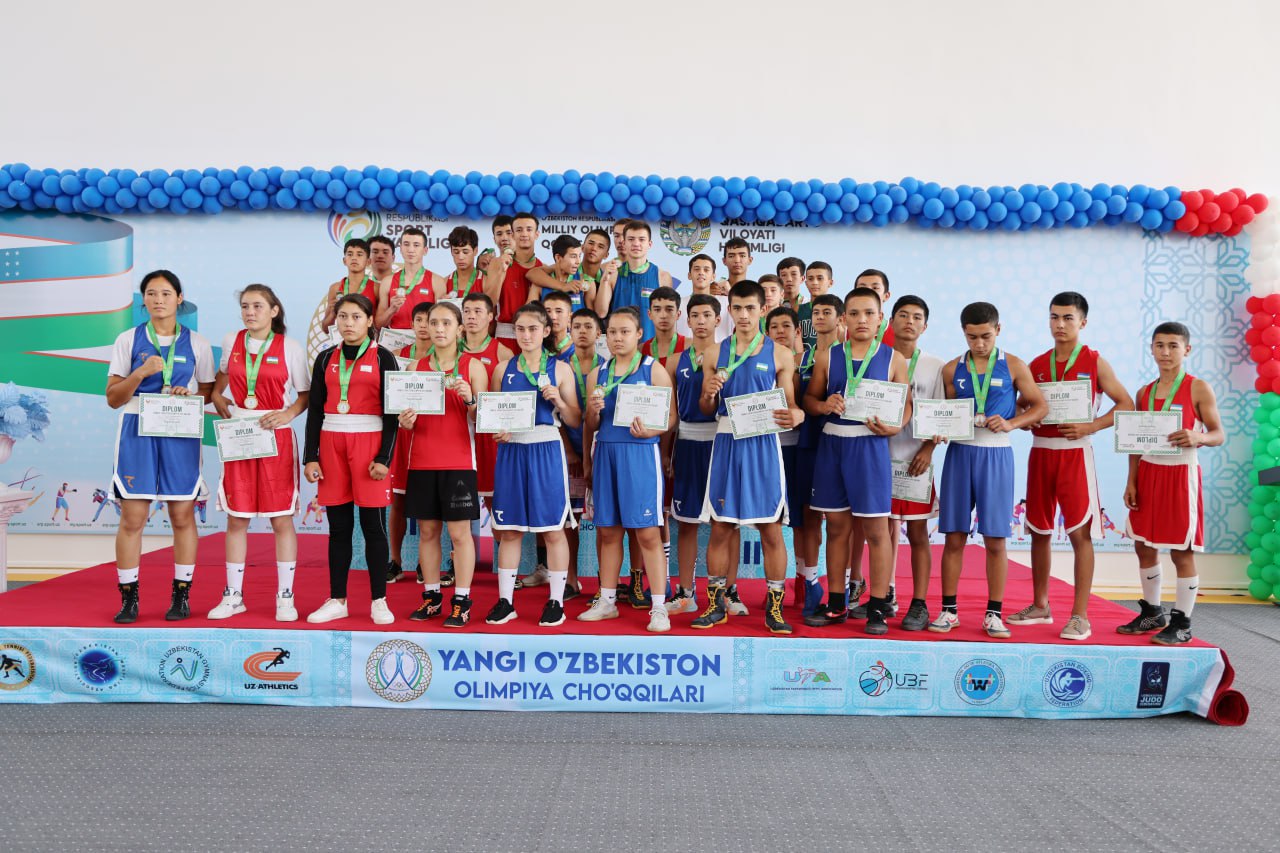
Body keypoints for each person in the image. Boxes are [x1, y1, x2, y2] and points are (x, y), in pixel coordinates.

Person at [1007, 292, 1133, 641]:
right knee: (1039, 530)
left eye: (1067, 318)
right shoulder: (1037, 363)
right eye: (1054, 317)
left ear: (1082, 322)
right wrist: (1026, 418)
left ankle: (1080, 616)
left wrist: (1091, 426)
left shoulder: (1094, 361)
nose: (1059, 324)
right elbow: (1019, 404)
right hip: (1041, 453)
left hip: (1075, 453)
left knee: (1080, 533)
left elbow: (1126, 403)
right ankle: (1040, 605)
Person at [929, 302, 1047, 638]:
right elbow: (943, 414)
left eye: (985, 336)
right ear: (963, 333)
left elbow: (1040, 406)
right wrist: (939, 429)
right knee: (953, 536)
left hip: (997, 455)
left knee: (996, 539)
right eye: (972, 337)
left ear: (998, 330)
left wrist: (1012, 423)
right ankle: (949, 610)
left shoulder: (1014, 365)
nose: (979, 343)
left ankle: (994, 614)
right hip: (960, 454)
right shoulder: (951, 369)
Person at [692, 280, 805, 634]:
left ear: (762, 310)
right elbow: (705, 408)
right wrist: (708, 395)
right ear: (729, 310)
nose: (743, 315)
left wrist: (797, 414)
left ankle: (775, 609)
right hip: (726, 441)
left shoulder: (780, 354)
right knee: (721, 527)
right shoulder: (714, 353)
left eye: (750, 308)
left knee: (771, 529)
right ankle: (715, 605)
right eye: (737, 308)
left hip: (763, 446)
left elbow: (791, 405)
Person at [106, 270, 216, 623]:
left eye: (166, 293)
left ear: (179, 298)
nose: (158, 300)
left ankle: (181, 595)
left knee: (182, 515)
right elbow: (113, 398)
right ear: (144, 300)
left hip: (179, 430)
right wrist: (140, 373)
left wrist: (190, 394)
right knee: (132, 517)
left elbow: (208, 392)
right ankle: (129, 598)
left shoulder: (198, 343)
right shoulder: (128, 339)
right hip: (137, 430)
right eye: (151, 293)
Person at [803, 288, 912, 635]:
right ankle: (837, 602)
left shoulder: (894, 359)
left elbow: (906, 406)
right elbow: (810, 399)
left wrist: (896, 426)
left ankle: (878, 606)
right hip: (833, 443)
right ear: (844, 319)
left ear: (881, 319)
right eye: (854, 313)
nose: (861, 320)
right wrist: (823, 405)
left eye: (868, 313)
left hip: (870, 446)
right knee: (836, 528)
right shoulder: (828, 356)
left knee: (877, 531)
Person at [208, 284, 311, 621]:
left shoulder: (290, 347)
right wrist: (218, 396)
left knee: (281, 519)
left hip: (274, 436)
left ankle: (285, 597)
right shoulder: (231, 341)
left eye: (257, 306)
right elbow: (222, 377)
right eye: (245, 306)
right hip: (239, 432)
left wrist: (288, 414)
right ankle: (233, 595)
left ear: (274, 310)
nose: (250, 312)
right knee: (236, 518)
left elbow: (305, 394)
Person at [1119, 322, 1224, 645]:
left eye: (1173, 346)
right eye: (1160, 345)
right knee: (1143, 544)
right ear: (1151, 348)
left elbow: (1218, 434)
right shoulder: (1144, 392)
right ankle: (1153, 612)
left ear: (1186, 349)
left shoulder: (1198, 388)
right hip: (1148, 472)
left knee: (1182, 550)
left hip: (1180, 474)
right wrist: (1132, 480)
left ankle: (1182, 622)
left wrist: (1198, 436)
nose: (1165, 352)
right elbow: (1135, 441)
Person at [302, 293, 400, 626]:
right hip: (332, 443)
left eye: (356, 317)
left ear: (370, 320)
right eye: (343, 316)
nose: (348, 323)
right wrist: (311, 457)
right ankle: (337, 599)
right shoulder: (325, 357)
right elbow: (315, 411)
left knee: (373, 526)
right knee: (339, 527)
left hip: (369, 444)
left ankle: (379, 600)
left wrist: (384, 457)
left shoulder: (383, 357)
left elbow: (392, 413)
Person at [578, 307, 677, 631]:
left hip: (640, 455)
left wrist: (651, 431)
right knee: (608, 531)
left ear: (638, 334)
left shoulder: (653, 369)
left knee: (647, 533)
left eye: (625, 332)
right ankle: (607, 601)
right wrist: (593, 412)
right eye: (612, 332)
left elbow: (671, 417)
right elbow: (590, 425)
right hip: (606, 453)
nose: (618, 338)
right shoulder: (597, 374)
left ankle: (659, 607)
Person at [486, 302, 582, 627]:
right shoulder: (503, 369)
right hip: (512, 450)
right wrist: (498, 430)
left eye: (532, 329)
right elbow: (493, 416)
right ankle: (505, 601)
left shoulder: (561, 369)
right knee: (510, 530)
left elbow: (575, 419)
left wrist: (559, 401)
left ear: (546, 331)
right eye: (520, 329)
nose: (526, 335)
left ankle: (556, 601)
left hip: (546, 447)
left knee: (553, 530)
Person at [397, 301, 489, 628]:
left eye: (446, 323)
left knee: (460, 534)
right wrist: (405, 421)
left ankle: (462, 601)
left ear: (459, 328)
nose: (438, 329)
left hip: (459, 461)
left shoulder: (473, 366)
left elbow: (484, 420)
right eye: (433, 322)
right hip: (422, 460)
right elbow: (404, 419)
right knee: (427, 531)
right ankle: (432, 596)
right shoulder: (415, 367)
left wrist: (470, 400)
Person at [884, 295, 945, 631]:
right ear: (891, 321)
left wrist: (928, 450)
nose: (910, 321)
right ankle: (881, 596)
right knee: (880, 532)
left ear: (925, 325)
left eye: (917, 317)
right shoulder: (877, 359)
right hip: (880, 459)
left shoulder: (935, 366)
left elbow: (942, 416)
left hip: (916, 461)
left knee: (918, 533)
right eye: (903, 315)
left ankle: (919, 604)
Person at [666, 294, 724, 614]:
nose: (701, 321)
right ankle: (686, 592)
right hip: (687, 443)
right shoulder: (674, 361)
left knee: (724, 522)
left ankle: (727, 592)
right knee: (687, 523)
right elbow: (670, 415)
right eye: (695, 316)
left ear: (718, 320)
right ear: (686, 321)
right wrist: (666, 453)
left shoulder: (729, 357)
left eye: (707, 315)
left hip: (721, 442)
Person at [792, 293, 844, 614]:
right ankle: (808, 581)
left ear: (840, 318)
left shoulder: (848, 354)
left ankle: (847, 584)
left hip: (840, 444)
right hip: (807, 442)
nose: (821, 317)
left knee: (841, 520)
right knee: (806, 515)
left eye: (827, 312)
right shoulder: (802, 357)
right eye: (816, 312)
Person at [385, 302, 438, 585]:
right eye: (419, 320)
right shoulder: (396, 357)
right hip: (402, 435)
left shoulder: (442, 358)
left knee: (430, 504)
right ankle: (395, 561)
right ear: (412, 324)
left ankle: (423, 563)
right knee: (398, 501)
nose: (423, 325)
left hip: (431, 435)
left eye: (429, 321)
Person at [561, 307, 604, 598]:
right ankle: (571, 580)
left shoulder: (609, 366)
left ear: (599, 332)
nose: (582, 331)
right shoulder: (559, 366)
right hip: (569, 453)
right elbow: (552, 414)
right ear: (569, 330)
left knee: (605, 519)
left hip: (602, 450)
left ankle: (606, 584)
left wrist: (591, 457)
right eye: (577, 326)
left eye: (589, 326)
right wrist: (569, 450)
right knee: (569, 519)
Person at [461, 293, 513, 503]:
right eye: (466, 311)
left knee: (494, 498)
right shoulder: (448, 349)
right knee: (458, 500)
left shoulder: (503, 353)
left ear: (491, 316)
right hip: (458, 430)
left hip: (488, 434)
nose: (471, 316)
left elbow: (510, 399)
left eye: (477, 311)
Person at [594, 220, 675, 342]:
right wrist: (605, 280)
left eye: (641, 239)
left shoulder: (663, 276)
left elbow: (668, 319)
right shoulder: (613, 275)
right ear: (624, 243)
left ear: (649, 244)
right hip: (620, 345)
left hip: (651, 347)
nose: (636, 244)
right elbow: (601, 313)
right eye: (631, 239)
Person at [485, 212, 543, 352]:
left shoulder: (542, 268)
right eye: (519, 230)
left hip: (534, 337)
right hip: (505, 337)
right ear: (514, 235)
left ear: (537, 234)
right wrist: (501, 272)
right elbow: (489, 302)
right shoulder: (497, 263)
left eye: (529, 229)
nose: (524, 234)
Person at [376, 227, 445, 331]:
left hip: (425, 336)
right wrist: (391, 310)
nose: (410, 250)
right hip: (394, 338)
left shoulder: (437, 281)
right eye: (406, 244)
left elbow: (441, 321)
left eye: (416, 245)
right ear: (401, 248)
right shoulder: (387, 282)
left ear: (425, 250)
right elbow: (378, 324)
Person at [527, 234, 600, 312]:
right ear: (558, 258)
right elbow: (528, 313)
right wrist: (563, 286)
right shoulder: (540, 283)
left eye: (579, 256)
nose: (578, 261)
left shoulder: (586, 282)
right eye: (573, 256)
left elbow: (591, 316)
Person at [322, 239, 379, 332]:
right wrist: (333, 313)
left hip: (367, 339)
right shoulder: (335, 288)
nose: (354, 258)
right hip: (342, 338)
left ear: (368, 261)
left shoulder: (377, 288)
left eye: (359, 254)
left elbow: (381, 324)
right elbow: (325, 329)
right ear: (344, 261)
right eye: (350, 254)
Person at [675, 254, 733, 342]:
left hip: (721, 351)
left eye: (706, 270)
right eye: (696, 269)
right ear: (689, 275)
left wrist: (731, 293)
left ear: (713, 276)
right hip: (686, 351)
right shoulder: (678, 304)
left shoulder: (727, 303)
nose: (701, 273)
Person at [440, 225, 485, 307]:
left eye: (465, 252)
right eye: (456, 252)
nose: (460, 257)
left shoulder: (485, 280)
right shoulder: (443, 283)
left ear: (475, 251)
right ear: (451, 252)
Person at [640, 286, 686, 361]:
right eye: (657, 310)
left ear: (678, 314)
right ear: (649, 314)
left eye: (669, 310)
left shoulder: (690, 347)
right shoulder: (640, 350)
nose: (663, 315)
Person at [799, 261, 836, 348]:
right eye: (810, 279)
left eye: (820, 278)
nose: (815, 282)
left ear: (830, 283)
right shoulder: (797, 310)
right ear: (806, 283)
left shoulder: (839, 311)